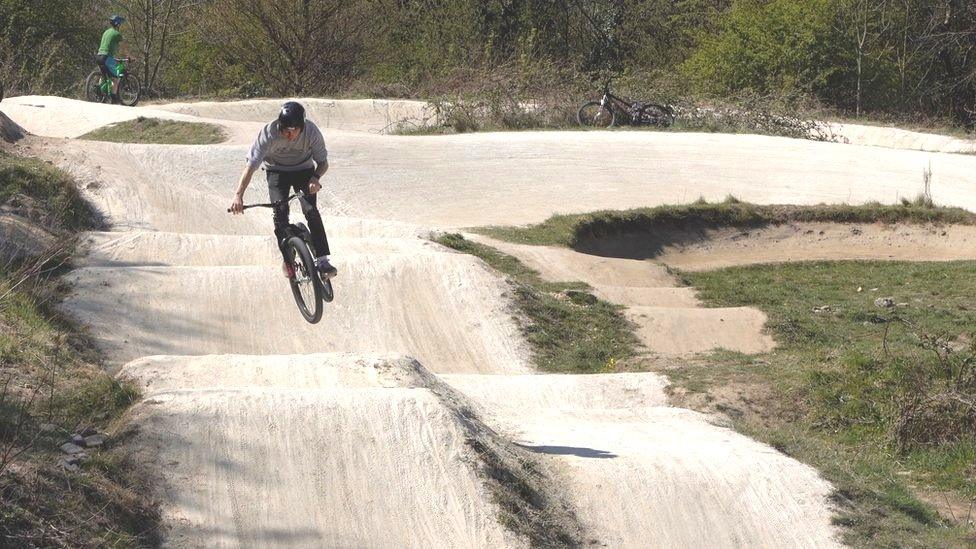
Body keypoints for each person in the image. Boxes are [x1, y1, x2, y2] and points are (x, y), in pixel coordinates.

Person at [229, 101, 337, 279]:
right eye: (284, 129)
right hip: (276, 171)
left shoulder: (311, 132)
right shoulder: (269, 133)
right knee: (279, 213)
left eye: (292, 130)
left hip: (304, 171)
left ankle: (323, 261)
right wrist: (238, 196)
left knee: (311, 210)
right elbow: (250, 167)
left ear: (301, 127)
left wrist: (315, 178)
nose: (288, 134)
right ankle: (288, 259)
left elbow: (323, 163)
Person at [95, 15, 126, 104]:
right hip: (107, 57)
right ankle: (114, 99)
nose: (120, 25)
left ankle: (100, 94)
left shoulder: (106, 32)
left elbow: (108, 45)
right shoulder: (117, 34)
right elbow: (123, 47)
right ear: (117, 24)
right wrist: (129, 56)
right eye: (120, 23)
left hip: (99, 56)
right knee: (115, 79)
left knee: (104, 76)